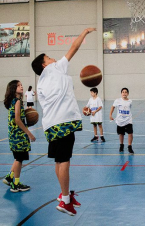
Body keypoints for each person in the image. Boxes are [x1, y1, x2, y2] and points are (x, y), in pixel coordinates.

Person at [31, 27, 96, 216]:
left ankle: (63, 194)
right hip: (63, 123)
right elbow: (73, 47)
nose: (52, 59)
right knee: (65, 160)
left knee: (59, 161)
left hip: (50, 125)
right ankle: (65, 201)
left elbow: (56, 101)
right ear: (45, 65)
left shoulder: (41, 83)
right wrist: (83, 32)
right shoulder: (55, 68)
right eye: (49, 57)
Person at [2, 80, 36, 192]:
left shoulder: (14, 101)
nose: (21, 86)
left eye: (21, 85)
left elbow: (16, 115)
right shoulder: (17, 101)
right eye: (18, 85)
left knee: (18, 158)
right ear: (13, 88)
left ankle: (9, 177)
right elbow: (17, 119)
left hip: (13, 134)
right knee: (19, 159)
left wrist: (25, 111)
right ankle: (16, 184)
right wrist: (29, 133)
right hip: (18, 135)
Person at [109, 87, 134, 154]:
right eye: (123, 92)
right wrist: (110, 115)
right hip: (120, 120)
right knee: (121, 134)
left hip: (128, 120)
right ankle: (121, 145)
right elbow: (113, 107)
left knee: (130, 133)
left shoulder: (130, 101)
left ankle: (129, 146)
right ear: (121, 93)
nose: (124, 93)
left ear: (128, 94)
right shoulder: (117, 101)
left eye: (126, 92)